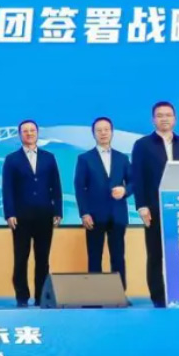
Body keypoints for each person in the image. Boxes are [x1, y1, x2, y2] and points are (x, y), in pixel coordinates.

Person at [130, 101, 179, 306]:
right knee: (155, 253)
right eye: (160, 115)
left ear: (175, 118)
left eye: (168, 115)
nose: (164, 119)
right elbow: (137, 177)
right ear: (153, 120)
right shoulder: (142, 145)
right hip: (154, 207)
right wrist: (141, 206)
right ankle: (158, 297)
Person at [2, 120, 63, 306]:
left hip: (45, 215)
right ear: (20, 134)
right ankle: (22, 296)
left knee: (42, 258)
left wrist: (58, 210)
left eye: (32, 130)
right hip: (21, 216)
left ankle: (40, 296)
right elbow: (7, 189)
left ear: (37, 133)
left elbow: (56, 185)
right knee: (21, 257)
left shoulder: (49, 157)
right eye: (25, 131)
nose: (29, 133)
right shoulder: (12, 159)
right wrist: (9, 213)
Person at [73, 116, 130, 288]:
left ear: (112, 132)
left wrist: (125, 190)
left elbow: (134, 182)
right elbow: (79, 187)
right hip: (94, 216)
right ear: (93, 134)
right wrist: (84, 213)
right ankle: (94, 294)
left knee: (118, 257)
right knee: (94, 257)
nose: (103, 133)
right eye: (99, 130)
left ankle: (119, 294)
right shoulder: (84, 158)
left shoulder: (122, 158)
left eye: (106, 130)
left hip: (117, 215)